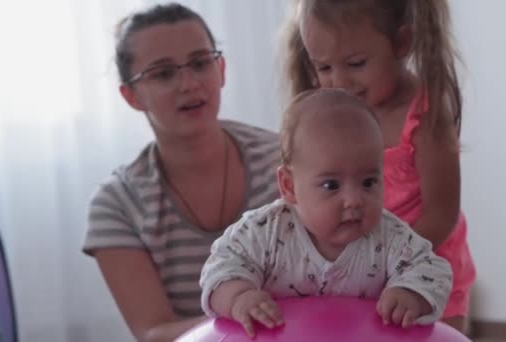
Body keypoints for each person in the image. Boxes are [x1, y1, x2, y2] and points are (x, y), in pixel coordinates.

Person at [81, 3, 281, 341]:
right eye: (162, 73)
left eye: (201, 63)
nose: (189, 84)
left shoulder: (285, 160)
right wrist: (240, 315)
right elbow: (154, 333)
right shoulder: (117, 204)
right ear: (131, 96)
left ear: (221, 69)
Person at [280, 0, 476, 333]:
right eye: (324, 68)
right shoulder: (325, 117)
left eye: (355, 63)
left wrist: (383, 260)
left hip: (424, 271)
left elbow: (442, 215)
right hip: (355, 268)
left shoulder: (425, 117)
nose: (339, 81)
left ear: (402, 43)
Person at [199, 89, 452, 338]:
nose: (354, 200)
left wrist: (411, 293)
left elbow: (433, 270)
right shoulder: (264, 231)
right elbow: (221, 267)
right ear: (289, 186)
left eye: (368, 182)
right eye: (331, 185)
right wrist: (239, 297)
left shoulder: (390, 237)